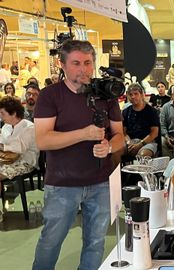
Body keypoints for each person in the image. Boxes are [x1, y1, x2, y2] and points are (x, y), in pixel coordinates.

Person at [32, 40, 124, 270]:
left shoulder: (106, 94)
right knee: (51, 242)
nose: (82, 69)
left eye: (87, 63)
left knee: (95, 242)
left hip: (100, 182)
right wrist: (84, 134)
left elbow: (120, 135)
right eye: (75, 63)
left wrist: (110, 147)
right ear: (62, 65)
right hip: (62, 184)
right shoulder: (50, 96)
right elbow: (43, 139)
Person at [0, 96, 39, 180]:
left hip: (25, 161)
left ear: (13, 113)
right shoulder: (6, 126)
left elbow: (19, 148)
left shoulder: (29, 127)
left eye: (2, 113)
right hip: (8, 159)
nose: (1, 116)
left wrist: (2, 146)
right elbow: (2, 141)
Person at [122, 83, 160, 158]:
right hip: (130, 141)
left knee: (143, 155)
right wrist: (129, 142)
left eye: (136, 94)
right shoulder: (125, 111)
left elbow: (154, 133)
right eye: (130, 94)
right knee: (116, 152)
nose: (133, 97)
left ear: (142, 94)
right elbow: (123, 132)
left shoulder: (151, 111)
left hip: (148, 142)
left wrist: (140, 144)